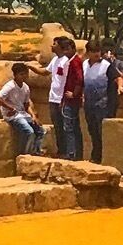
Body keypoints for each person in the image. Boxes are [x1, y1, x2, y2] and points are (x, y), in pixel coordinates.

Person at [80, 36, 121, 163]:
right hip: (89, 103)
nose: (97, 54)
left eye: (98, 51)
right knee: (92, 130)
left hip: (103, 103)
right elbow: (81, 81)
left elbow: (117, 77)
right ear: (88, 53)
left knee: (101, 130)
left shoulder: (106, 65)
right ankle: (95, 155)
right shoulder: (84, 65)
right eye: (94, 51)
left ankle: (102, 156)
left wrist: (120, 88)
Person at [46, 33, 83, 161]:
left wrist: (74, 94)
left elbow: (79, 79)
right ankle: (66, 152)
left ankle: (72, 153)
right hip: (61, 99)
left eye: (68, 49)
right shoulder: (65, 60)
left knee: (69, 127)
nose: (66, 51)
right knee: (63, 127)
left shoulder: (73, 62)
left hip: (68, 99)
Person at [0, 61, 42, 156]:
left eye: (26, 74)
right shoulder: (10, 86)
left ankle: (36, 151)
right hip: (13, 116)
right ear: (15, 75)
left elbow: (26, 104)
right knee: (29, 131)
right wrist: (10, 107)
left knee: (40, 131)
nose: (24, 76)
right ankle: (24, 154)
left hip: (22, 114)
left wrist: (33, 116)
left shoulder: (25, 87)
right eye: (22, 74)